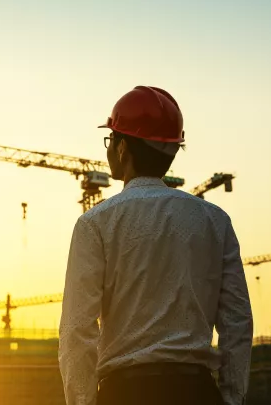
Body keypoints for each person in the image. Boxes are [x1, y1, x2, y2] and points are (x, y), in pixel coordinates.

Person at [59, 86, 253, 405]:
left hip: (125, 393)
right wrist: (230, 398)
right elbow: (237, 322)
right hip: (197, 392)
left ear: (122, 149)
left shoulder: (96, 223)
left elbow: (77, 330)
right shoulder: (215, 221)